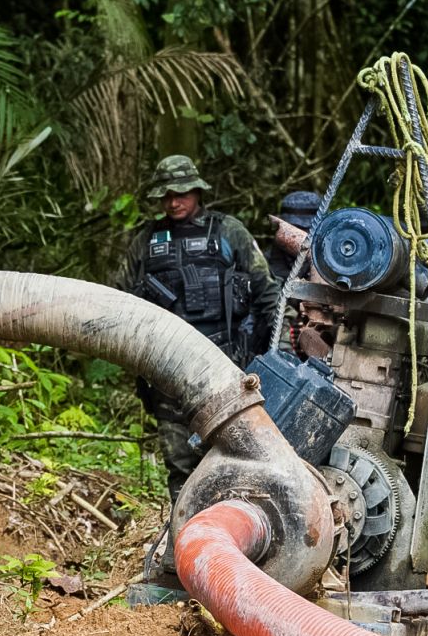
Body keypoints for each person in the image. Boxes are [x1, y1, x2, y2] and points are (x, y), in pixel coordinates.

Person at [117, 154, 279, 501]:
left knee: (235, 461)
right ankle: (185, 541)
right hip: (167, 373)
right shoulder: (146, 241)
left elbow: (266, 293)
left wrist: (271, 353)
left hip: (225, 370)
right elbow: (120, 305)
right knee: (179, 466)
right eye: (167, 195)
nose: (174, 202)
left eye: (182, 193)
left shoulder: (228, 232)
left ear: (197, 191)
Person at [265, 190, 320, 281]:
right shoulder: (267, 261)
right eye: (295, 228)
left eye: (307, 229)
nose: (299, 234)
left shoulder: (329, 263)